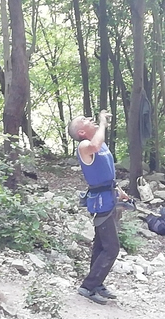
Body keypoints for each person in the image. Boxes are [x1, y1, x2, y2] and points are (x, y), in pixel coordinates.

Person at [68, 110, 129, 305]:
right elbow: (95, 145)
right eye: (83, 120)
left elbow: (104, 173)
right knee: (112, 247)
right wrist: (102, 122)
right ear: (82, 132)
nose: (89, 118)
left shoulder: (101, 146)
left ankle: (97, 283)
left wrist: (118, 189)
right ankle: (87, 286)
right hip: (100, 202)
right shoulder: (86, 145)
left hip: (109, 197)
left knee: (101, 244)